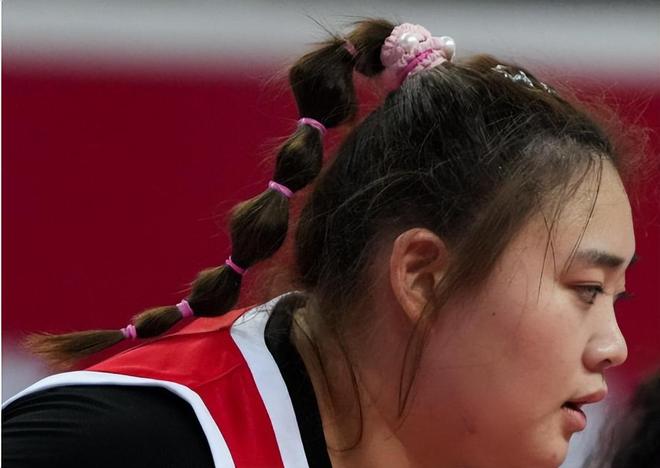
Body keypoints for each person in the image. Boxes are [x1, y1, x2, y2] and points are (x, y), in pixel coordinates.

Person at [2, 18, 642, 468]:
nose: (613, 347)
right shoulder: (121, 443)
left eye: (616, 297)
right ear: (423, 278)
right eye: (586, 289)